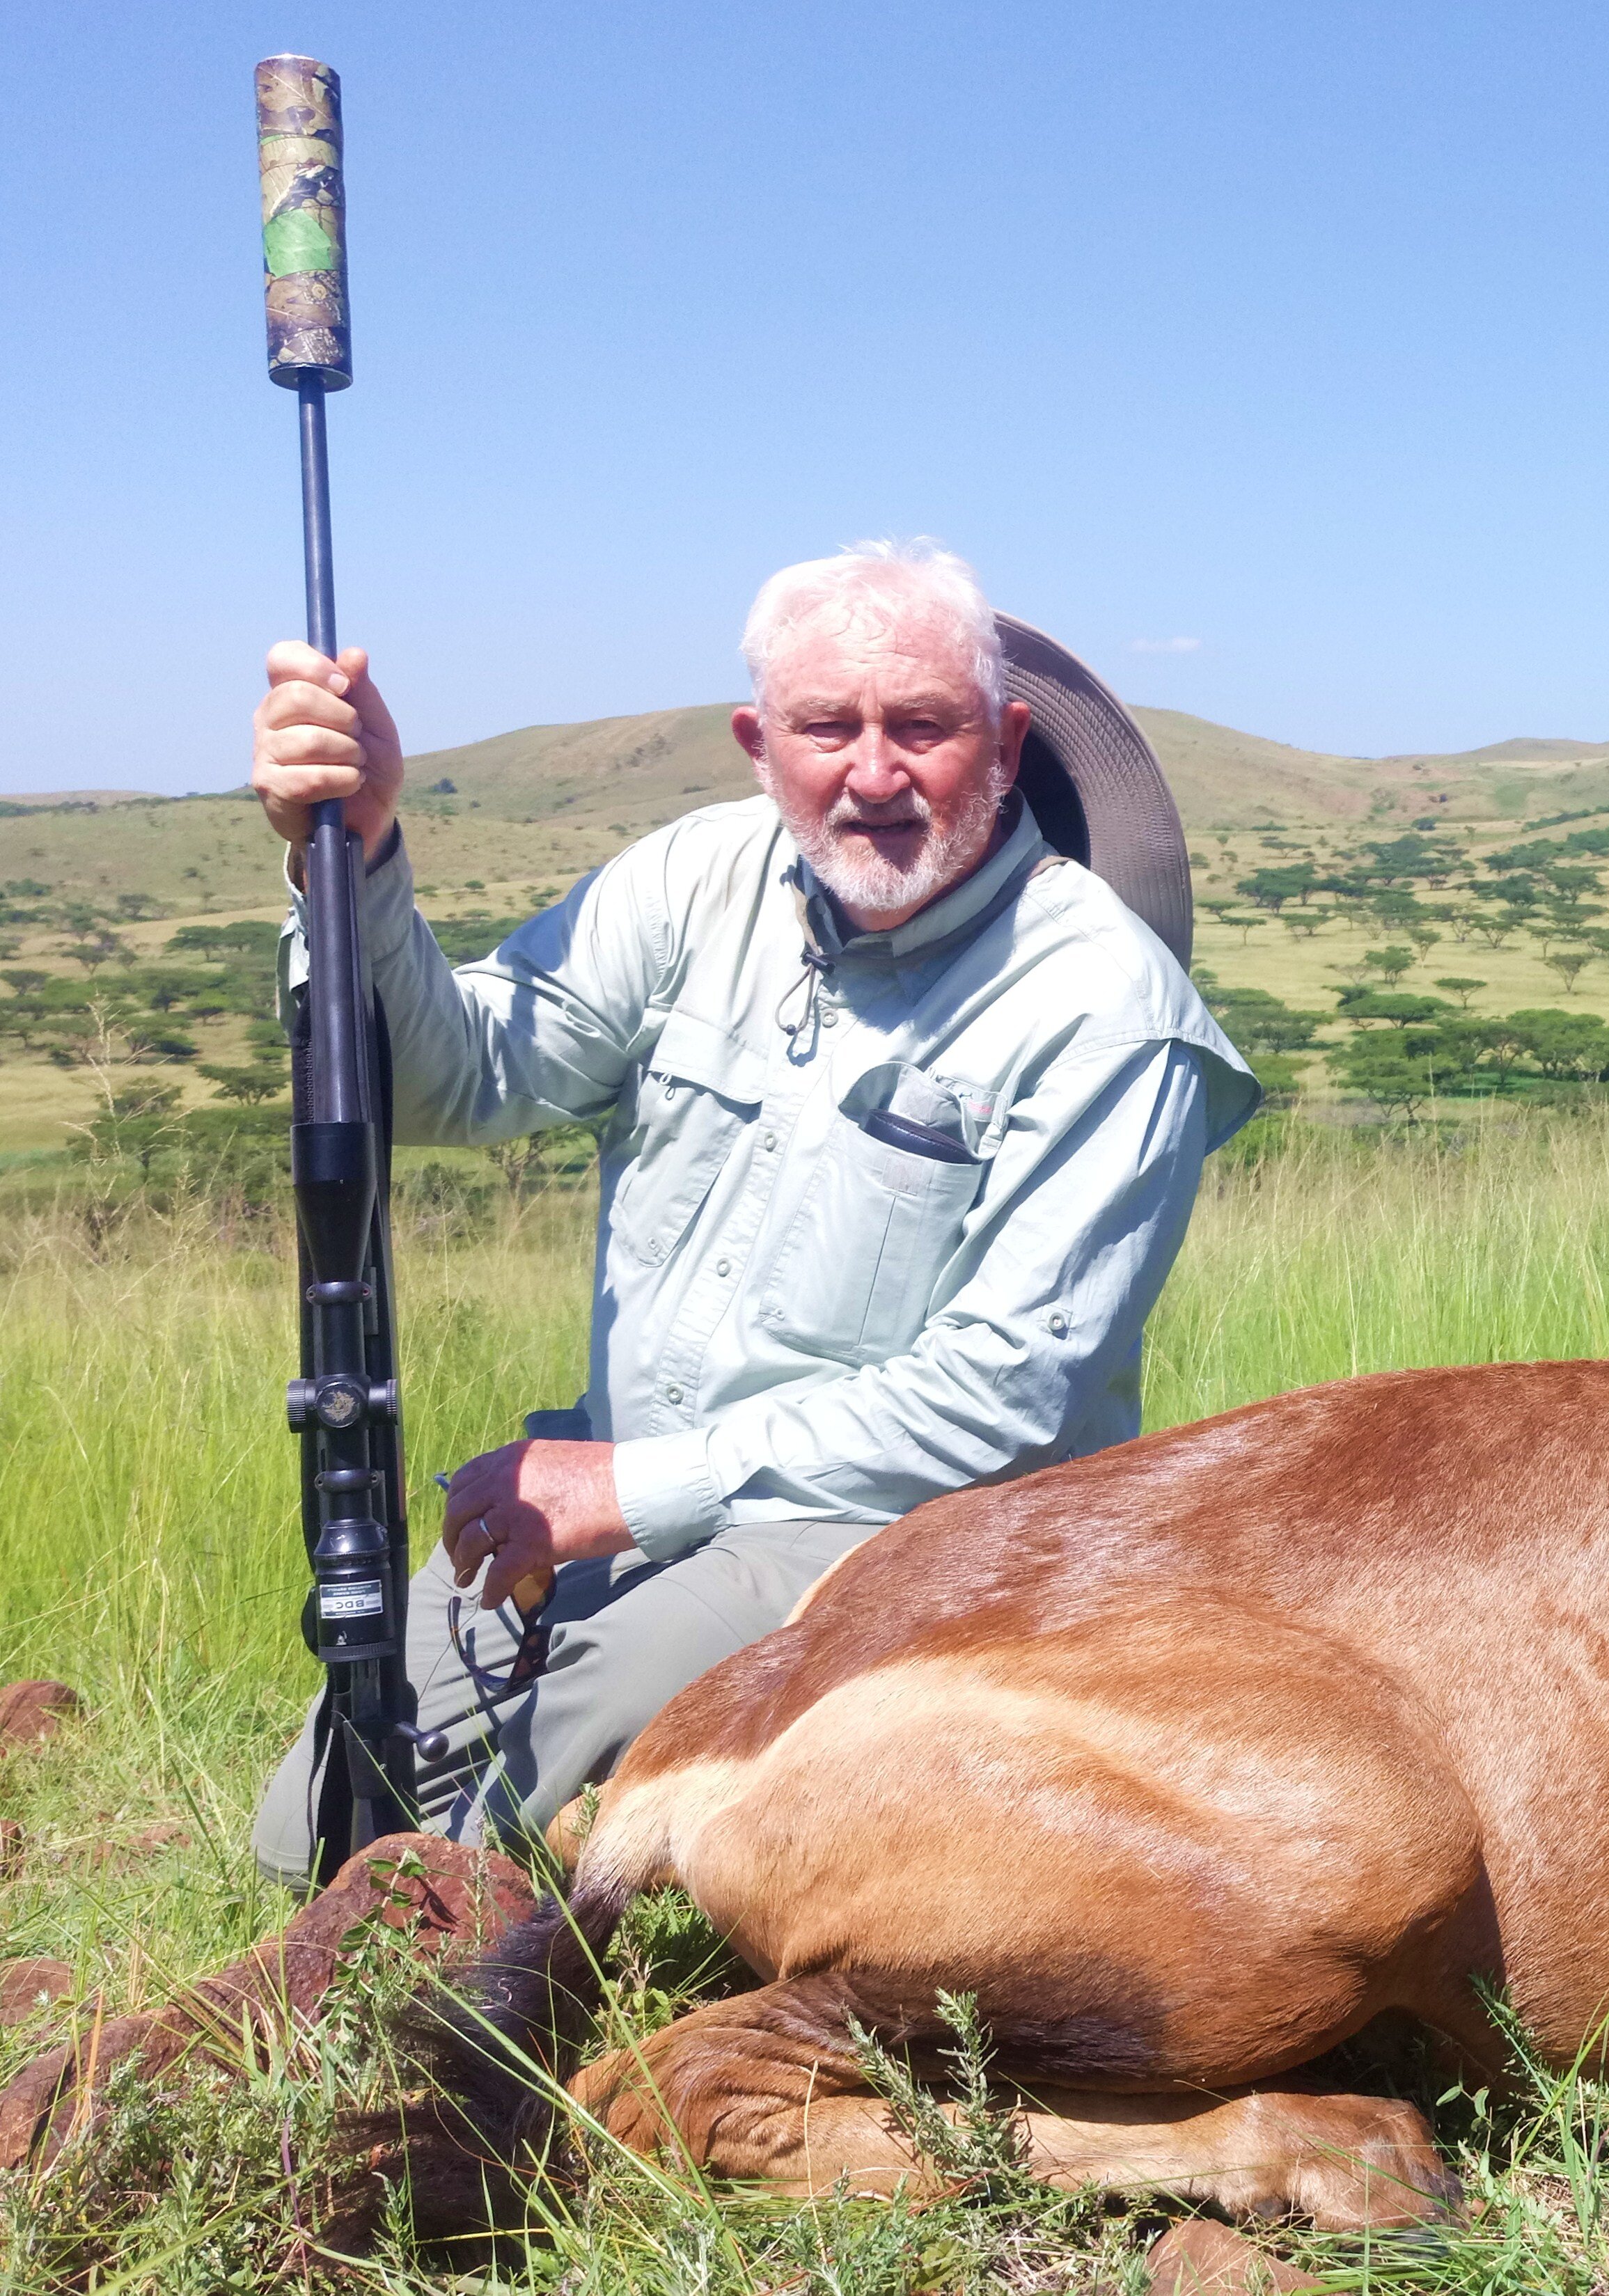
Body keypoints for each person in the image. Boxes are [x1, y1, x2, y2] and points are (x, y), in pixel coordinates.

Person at [243, 541, 1255, 1885]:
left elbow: (1003, 1397)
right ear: (759, 743)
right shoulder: (696, 879)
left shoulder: (1108, 1009)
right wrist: (352, 854)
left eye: (925, 727)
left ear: (1006, 744)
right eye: (828, 726)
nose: (874, 773)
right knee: (307, 1823)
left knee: (449, 1845)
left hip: (894, 1535)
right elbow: (456, 1077)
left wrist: (631, 1488)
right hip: (630, 1498)